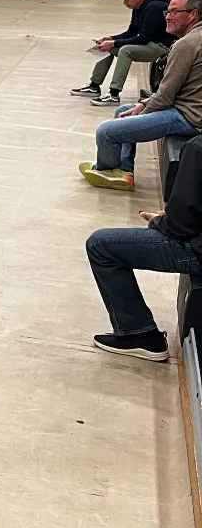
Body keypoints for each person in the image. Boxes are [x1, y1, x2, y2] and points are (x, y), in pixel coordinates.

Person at [86, 133, 202, 362]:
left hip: (197, 250)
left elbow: (180, 225)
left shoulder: (197, 148)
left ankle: (138, 333)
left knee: (100, 245)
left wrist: (159, 221)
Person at [80, 0, 202, 191]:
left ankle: (107, 170)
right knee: (123, 112)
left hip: (188, 117)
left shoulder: (186, 44)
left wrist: (142, 109)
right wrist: (142, 105)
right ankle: (124, 170)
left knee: (107, 131)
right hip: (183, 107)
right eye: (167, 12)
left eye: (174, 12)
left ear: (192, 15)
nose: (168, 16)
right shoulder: (193, 37)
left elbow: (165, 95)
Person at [72, 0, 171, 106]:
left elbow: (143, 38)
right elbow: (132, 32)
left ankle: (114, 94)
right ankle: (94, 86)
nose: (125, 2)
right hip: (149, 43)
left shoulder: (155, 7)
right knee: (107, 48)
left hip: (161, 47)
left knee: (125, 50)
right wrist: (111, 39)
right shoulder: (138, 6)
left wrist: (115, 42)